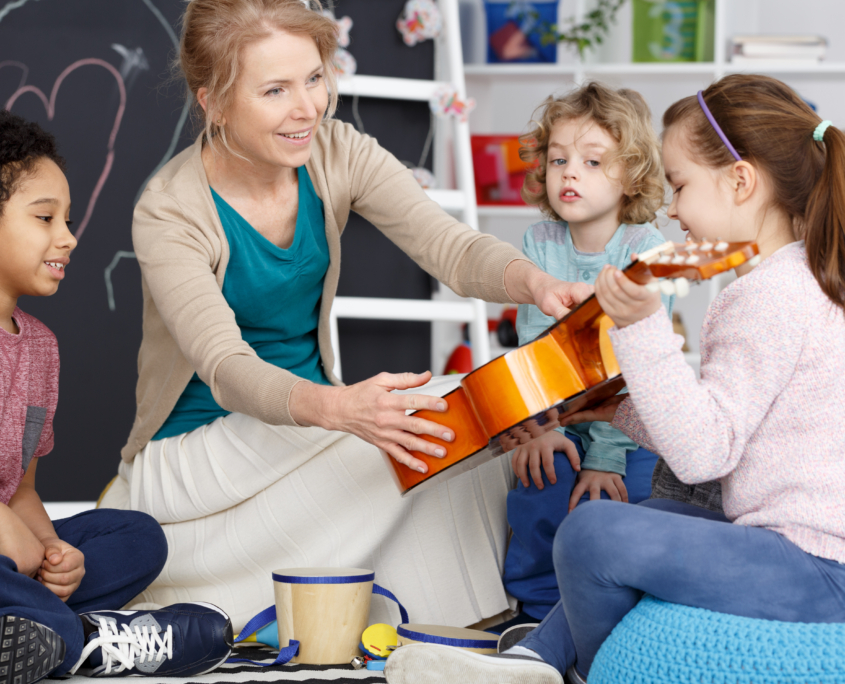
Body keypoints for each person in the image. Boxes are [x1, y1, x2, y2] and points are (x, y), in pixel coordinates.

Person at [98, 0, 591, 633]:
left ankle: (474, 625)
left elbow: (451, 247)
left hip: (308, 435)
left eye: (314, 78)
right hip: (195, 454)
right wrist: (343, 410)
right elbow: (224, 365)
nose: (308, 107)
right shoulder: (170, 210)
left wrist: (538, 283)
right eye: (276, 89)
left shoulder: (336, 152)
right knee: (445, 411)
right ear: (214, 103)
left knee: (478, 418)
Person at [385, 73, 845, 684]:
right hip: (801, 552)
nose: (674, 208)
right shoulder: (796, 280)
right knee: (657, 511)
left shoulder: (770, 295)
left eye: (680, 185)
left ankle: (605, 672)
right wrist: (613, 413)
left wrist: (642, 324)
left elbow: (704, 455)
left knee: (590, 535)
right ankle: (535, 661)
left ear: (740, 181)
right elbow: (727, 437)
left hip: (816, 568)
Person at [0, 111, 233, 684]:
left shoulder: (40, 350)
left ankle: (42, 625)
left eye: (68, 220)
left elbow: (23, 490)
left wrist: (56, 554)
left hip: (14, 559)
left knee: (136, 538)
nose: (69, 237)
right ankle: (86, 639)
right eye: (45, 218)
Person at [499, 82, 670, 629]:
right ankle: (538, 612)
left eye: (593, 162)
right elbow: (533, 349)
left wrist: (606, 456)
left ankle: (626, 615)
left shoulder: (642, 248)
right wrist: (542, 428)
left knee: (640, 496)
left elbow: (635, 370)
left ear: (632, 177)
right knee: (537, 479)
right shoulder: (540, 242)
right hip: (559, 413)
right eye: (558, 160)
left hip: (625, 419)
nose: (570, 173)